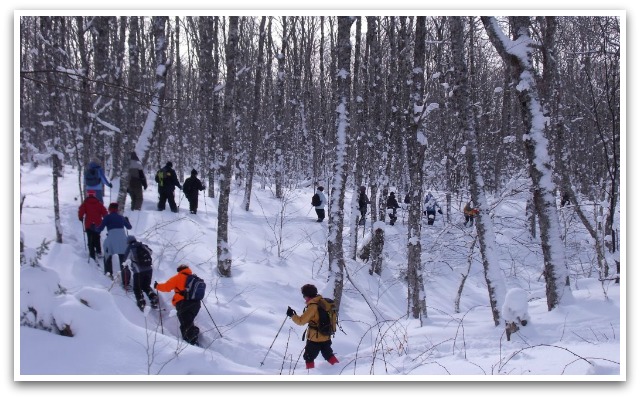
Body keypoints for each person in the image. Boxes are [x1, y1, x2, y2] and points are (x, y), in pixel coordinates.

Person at [286, 284, 339, 369]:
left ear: (307, 295)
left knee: (308, 357)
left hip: (315, 338)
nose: (304, 298)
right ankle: (338, 368)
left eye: (304, 296)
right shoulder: (323, 302)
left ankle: (310, 373)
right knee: (328, 354)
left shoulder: (313, 306)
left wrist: (292, 315)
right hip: (327, 335)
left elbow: (301, 321)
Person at [155, 264, 201, 346]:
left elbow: (167, 287)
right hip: (196, 304)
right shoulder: (194, 278)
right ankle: (194, 335)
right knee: (188, 322)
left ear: (180, 270)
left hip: (183, 303)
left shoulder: (178, 277)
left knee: (185, 325)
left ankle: (191, 344)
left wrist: (157, 286)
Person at [95, 202, 132, 283]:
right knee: (124, 260)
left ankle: (109, 275)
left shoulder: (107, 217)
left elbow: (99, 229)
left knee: (108, 256)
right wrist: (127, 221)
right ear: (117, 209)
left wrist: (94, 227)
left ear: (109, 209)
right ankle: (126, 281)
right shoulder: (121, 217)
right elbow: (129, 227)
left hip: (111, 239)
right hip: (122, 240)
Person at [123, 236, 159, 311]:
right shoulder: (142, 245)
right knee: (146, 286)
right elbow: (151, 252)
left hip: (138, 271)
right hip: (149, 269)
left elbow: (125, 260)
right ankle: (153, 298)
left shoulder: (130, 248)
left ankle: (141, 303)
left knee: (137, 288)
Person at [78, 189, 108, 260]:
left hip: (89, 224)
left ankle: (92, 253)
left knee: (90, 237)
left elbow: (81, 211)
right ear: (94, 195)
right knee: (97, 237)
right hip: (98, 224)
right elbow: (105, 212)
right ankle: (98, 251)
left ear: (88, 195)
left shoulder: (85, 203)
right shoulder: (99, 203)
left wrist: (80, 218)